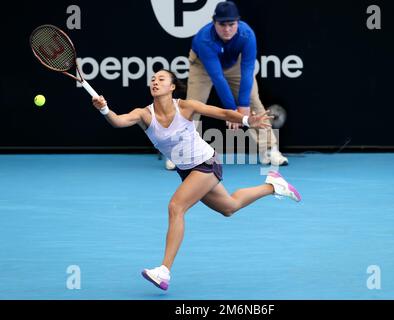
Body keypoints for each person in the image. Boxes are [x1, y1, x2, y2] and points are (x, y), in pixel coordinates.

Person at [92, 69, 301, 291]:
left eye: (161, 79)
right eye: (153, 79)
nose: (155, 82)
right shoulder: (144, 114)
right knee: (229, 207)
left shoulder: (185, 106)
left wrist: (248, 120)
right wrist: (104, 108)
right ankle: (273, 185)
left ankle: (164, 271)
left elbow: (220, 113)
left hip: (206, 164)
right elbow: (118, 121)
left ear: (172, 87)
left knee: (176, 207)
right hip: (187, 171)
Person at [164, 1, 288, 171]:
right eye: (222, 24)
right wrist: (232, 112)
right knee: (193, 104)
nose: (227, 29)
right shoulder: (204, 39)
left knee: (252, 100)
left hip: (234, 65)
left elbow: (248, 71)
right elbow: (217, 77)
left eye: (231, 24)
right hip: (203, 66)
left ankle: (268, 149)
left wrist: (243, 106)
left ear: (238, 22)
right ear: (214, 22)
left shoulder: (247, 35)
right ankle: (180, 151)